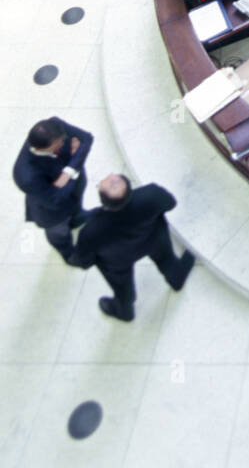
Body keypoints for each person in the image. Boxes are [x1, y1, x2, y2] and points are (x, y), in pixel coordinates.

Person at [69, 173, 195, 322]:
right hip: (154, 238)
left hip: (116, 260)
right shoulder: (150, 194)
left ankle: (124, 311)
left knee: (122, 287)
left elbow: (83, 260)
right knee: (167, 259)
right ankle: (177, 278)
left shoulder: (91, 230)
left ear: (103, 200)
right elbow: (171, 203)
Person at [12, 117, 94, 263]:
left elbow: (87, 138)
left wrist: (67, 173)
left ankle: (77, 218)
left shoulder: (54, 125)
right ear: (40, 149)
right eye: (59, 144)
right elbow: (54, 199)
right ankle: (68, 255)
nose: (64, 144)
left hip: (73, 191)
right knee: (59, 235)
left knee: (76, 208)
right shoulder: (25, 174)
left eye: (63, 140)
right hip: (53, 213)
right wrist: (75, 161)